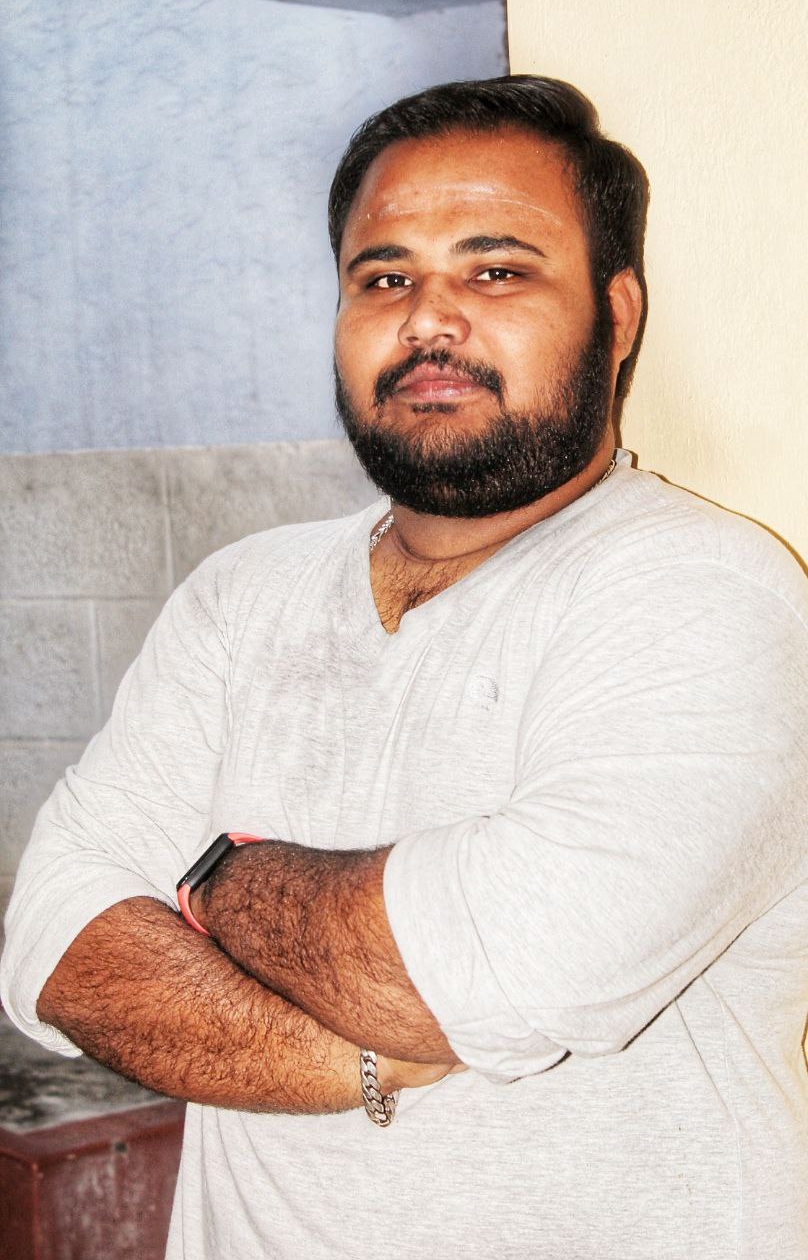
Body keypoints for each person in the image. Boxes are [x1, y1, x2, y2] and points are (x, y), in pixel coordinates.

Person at [2, 75, 806, 1259]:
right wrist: (361, 1061)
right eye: (383, 279)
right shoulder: (240, 594)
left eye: (497, 271)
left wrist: (215, 880)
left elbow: (494, 968)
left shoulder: (710, 592)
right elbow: (55, 944)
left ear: (616, 312)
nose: (429, 320)